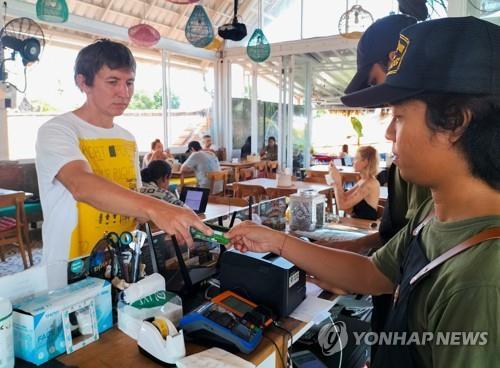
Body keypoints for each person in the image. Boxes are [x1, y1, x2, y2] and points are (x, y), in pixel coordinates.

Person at [227, 17, 500, 367]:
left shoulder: (482, 278)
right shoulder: (432, 216)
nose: (389, 132)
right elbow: (374, 274)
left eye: (399, 116)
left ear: (454, 123)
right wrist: (278, 242)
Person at [35, 39, 211, 289]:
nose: (124, 92)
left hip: (123, 267)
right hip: (72, 270)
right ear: (82, 82)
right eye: (113, 82)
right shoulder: (58, 130)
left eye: (129, 83)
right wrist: (156, 208)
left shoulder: (127, 139)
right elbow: (80, 185)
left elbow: (133, 202)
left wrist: (172, 227)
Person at [329, 145, 380, 220]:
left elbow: (342, 205)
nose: (353, 161)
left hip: (365, 227)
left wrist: (337, 182)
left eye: (356, 158)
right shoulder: (363, 180)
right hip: (357, 223)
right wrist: (334, 181)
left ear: (365, 162)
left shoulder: (369, 184)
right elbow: (344, 196)